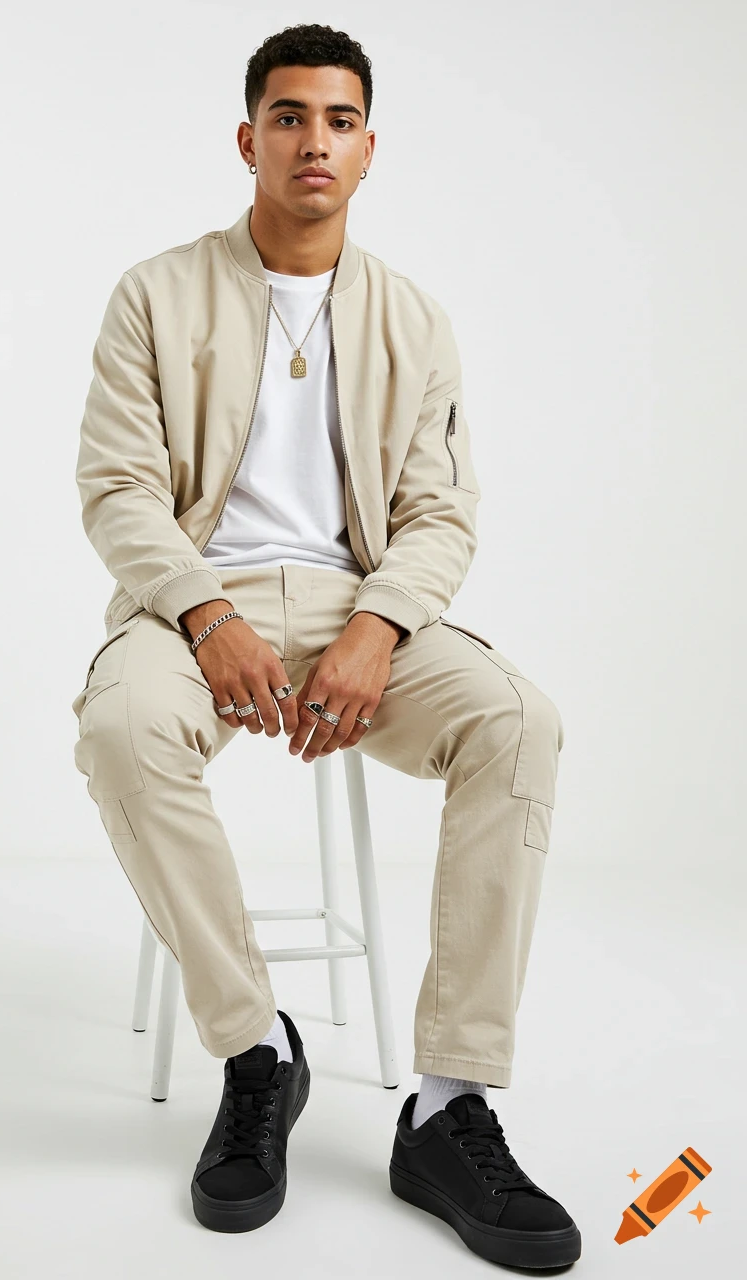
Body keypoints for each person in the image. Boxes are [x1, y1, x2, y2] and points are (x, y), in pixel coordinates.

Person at [71, 21, 580, 1267]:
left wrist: (376, 624)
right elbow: (118, 489)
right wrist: (205, 612)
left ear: (367, 149)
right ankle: (257, 1050)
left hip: (365, 606)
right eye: (288, 117)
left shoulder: (412, 317)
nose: (313, 141)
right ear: (248, 139)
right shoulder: (155, 293)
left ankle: (447, 1106)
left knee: (517, 720)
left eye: (338, 121)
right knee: (121, 728)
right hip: (199, 601)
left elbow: (440, 512)